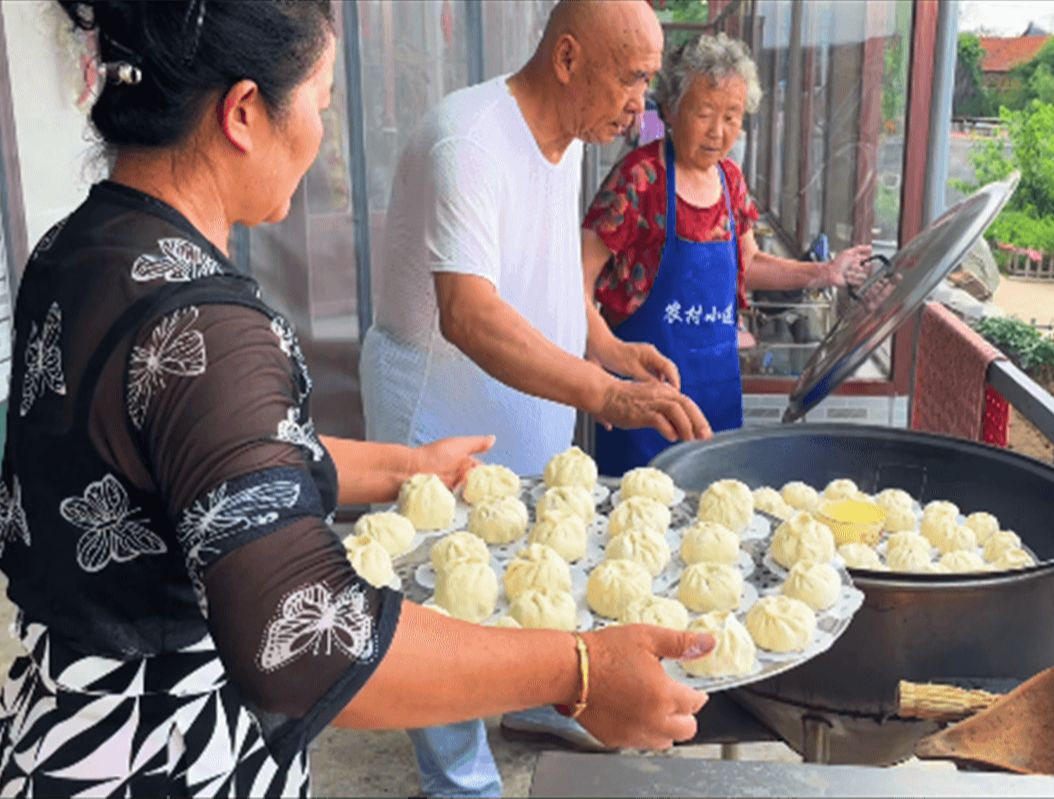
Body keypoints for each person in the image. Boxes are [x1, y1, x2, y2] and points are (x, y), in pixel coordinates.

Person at [0, 2, 711, 794]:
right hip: (163, 753)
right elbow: (309, 644)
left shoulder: (74, 248)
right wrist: (577, 668)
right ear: (243, 113)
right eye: (322, 104)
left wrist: (405, 465)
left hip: (56, 726)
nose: (322, 139)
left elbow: (208, 471)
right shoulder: (205, 325)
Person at [359, 2, 713, 794]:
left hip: (527, 403)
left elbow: (546, 275)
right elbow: (471, 311)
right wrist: (604, 392)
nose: (642, 102)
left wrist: (610, 347)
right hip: (441, 409)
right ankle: (457, 773)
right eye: (633, 77)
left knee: (536, 564)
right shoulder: (472, 140)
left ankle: (541, 694)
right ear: (567, 58)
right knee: (442, 595)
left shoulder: (564, 139)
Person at [582, 33, 873, 476]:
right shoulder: (639, 180)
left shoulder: (731, 180)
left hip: (715, 390)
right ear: (672, 110)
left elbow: (749, 263)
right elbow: (577, 275)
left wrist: (826, 272)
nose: (718, 132)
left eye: (732, 116)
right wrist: (595, 352)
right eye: (704, 113)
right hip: (643, 397)